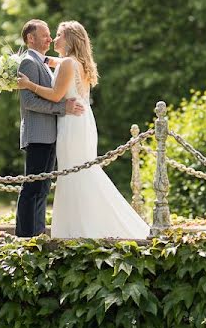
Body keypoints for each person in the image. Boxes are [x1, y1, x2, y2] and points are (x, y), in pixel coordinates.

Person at [17, 21, 150, 239]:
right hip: (81, 121)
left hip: (72, 123)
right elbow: (49, 62)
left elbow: (56, 96)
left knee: (75, 173)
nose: (53, 39)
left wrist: (28, 85)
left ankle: (79, 229)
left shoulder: (68, 63)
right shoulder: (75, 62)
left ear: (69, 39)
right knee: (80, 172)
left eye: (58, 35)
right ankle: (81, 226)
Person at [16, 19, 84, 237]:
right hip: (38, 134)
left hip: (50, 134)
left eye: (51, 35)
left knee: (43, 189)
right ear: (30, 38)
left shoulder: (43, 62)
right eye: (45, 35)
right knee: (32, 188)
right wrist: (62, 108)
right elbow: (29, 102)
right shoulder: (28, 63)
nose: (49, 38)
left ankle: (37, 234)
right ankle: (25, 237)